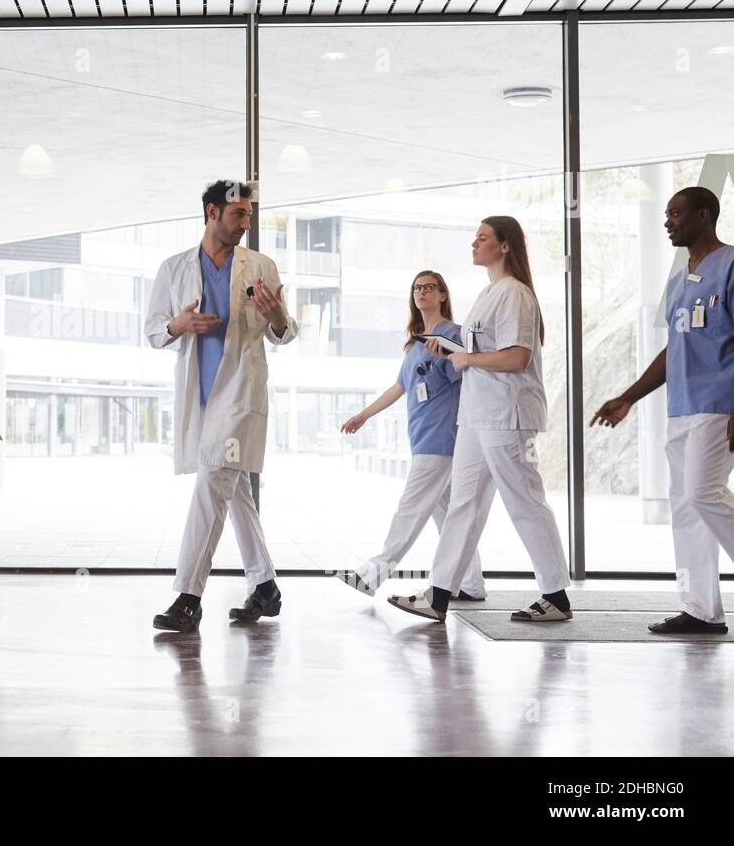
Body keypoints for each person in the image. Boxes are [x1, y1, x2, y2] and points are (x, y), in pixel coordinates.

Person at [388, 216, 573, 623]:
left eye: (482, 238)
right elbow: (481, 351)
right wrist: (454, 350)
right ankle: (438, 594)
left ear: (505, 246)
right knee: (463, 504)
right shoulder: (489, 293)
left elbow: (517, 356)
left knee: (525, 501)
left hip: (507, 415)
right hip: (475, 416)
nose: (474, 244)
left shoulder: (514, 294)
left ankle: (556, 596)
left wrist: (466, 357)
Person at [145, 180, 298, 633]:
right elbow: (154, 331)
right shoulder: (174, 269)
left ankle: (188, 597)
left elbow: (284, 333)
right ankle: (265, 585)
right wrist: (179, 322)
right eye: (238, 215)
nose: (245, 223)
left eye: (248, 216)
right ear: (212, 212)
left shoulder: (261, 266)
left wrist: (276, 317)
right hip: (201, 397)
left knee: (212, 485)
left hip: (241, 395)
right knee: (236, 495)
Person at [591, 186, 734, 634]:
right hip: (682, 407)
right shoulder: (678, 281)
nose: (667, 221)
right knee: (686, 507)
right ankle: (700, 610)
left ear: (704, 215)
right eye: (666, 213)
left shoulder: (731, 265)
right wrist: (630, 396)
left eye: (676, 213)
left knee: (702, 494)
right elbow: (676, 349)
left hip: (719, 405)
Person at [336, 271, 490, 600]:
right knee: (449, 515)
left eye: (429, 287)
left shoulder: (451, 336)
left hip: (442, 439)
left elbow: (465, 381)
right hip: (423, 438)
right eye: (417, 288)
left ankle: (372, 574)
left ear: (442, 295)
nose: (422, 293)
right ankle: (471, 584)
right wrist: (364, 415)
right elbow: (400, 386)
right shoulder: (417, 341)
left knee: (409, 511)